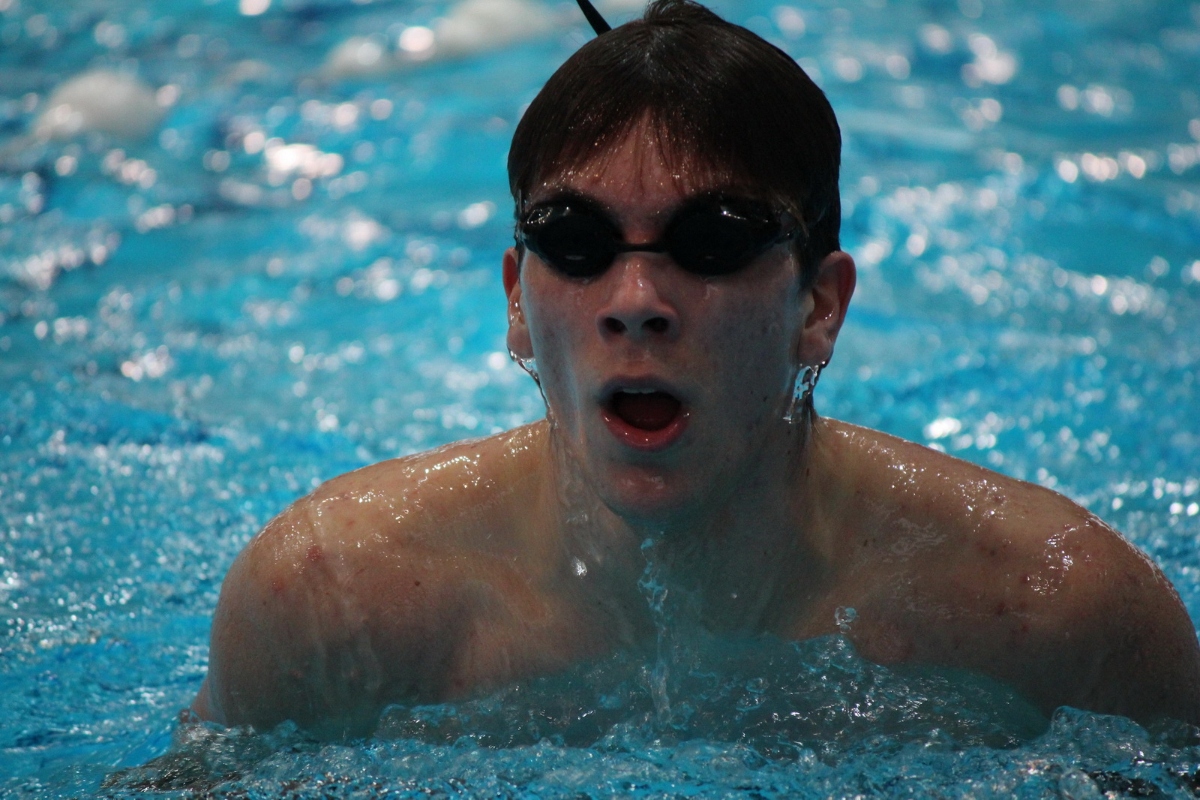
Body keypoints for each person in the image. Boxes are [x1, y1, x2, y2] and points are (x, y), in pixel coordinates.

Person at [192, 0, 1200, 739]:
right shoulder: (332, 602)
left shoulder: (1055, 617)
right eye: (576, 241)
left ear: (819, 305)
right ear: (516, 301)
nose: (635, 297)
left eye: (713, 240)